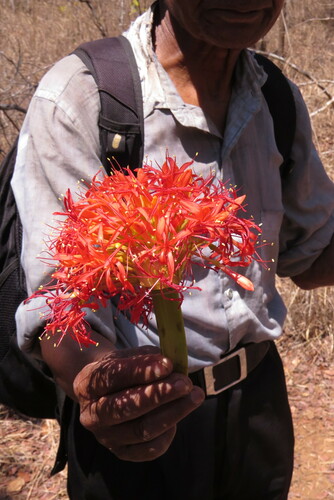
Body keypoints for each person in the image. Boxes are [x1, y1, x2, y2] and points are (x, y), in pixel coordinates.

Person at [11, 0, 334, 499]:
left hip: (258, 407)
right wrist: (100, 381)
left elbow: (312, 255)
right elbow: (58, 299)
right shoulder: (80, 95)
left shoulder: (277, 99)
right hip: (137, 423)